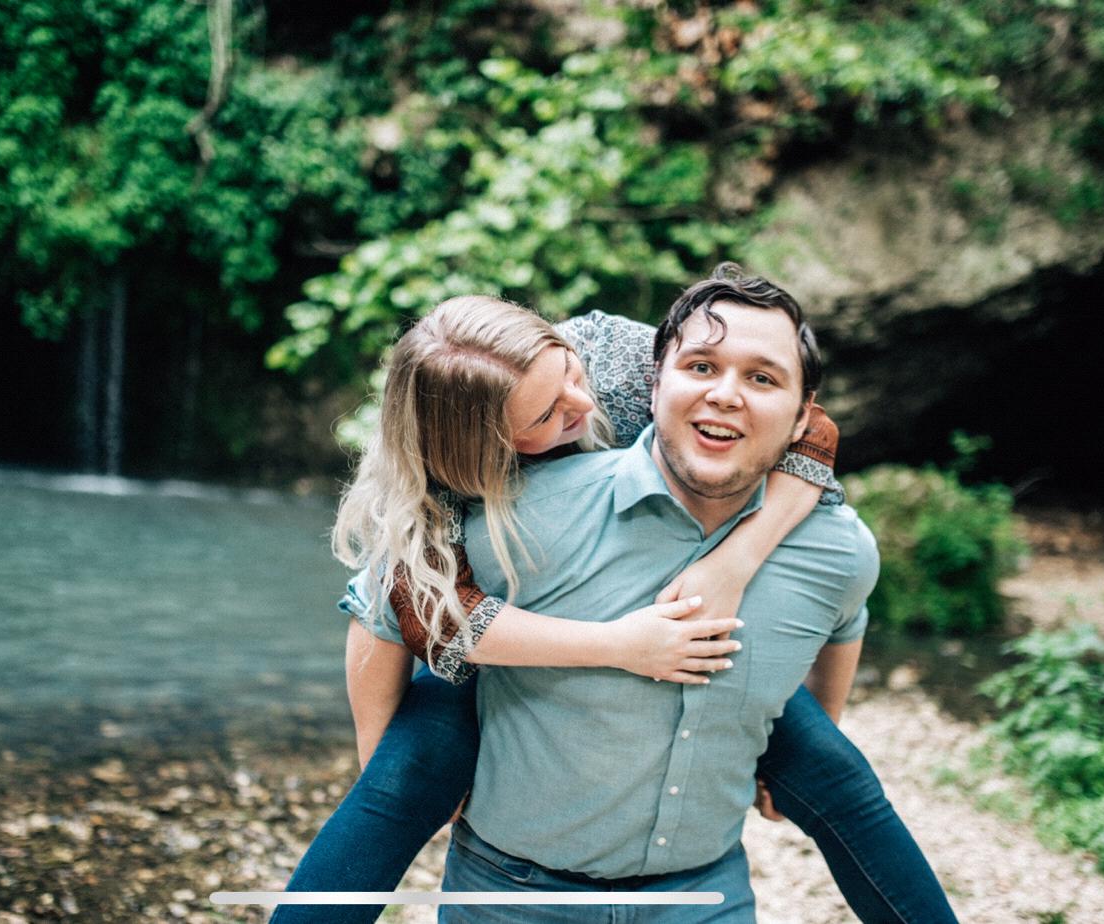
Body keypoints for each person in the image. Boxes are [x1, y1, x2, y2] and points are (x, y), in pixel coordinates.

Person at [275, 266, 955, 923]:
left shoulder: (618, 361)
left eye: (570, 375)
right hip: (505, 644)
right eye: (546, 414)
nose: (580, 403)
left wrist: (735, 561)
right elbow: (389, 609)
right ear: (483, 445)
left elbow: (808, 428)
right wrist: (376, 746)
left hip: (691, 623)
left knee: (840, 781)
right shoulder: (453, 501)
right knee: (399, 784)